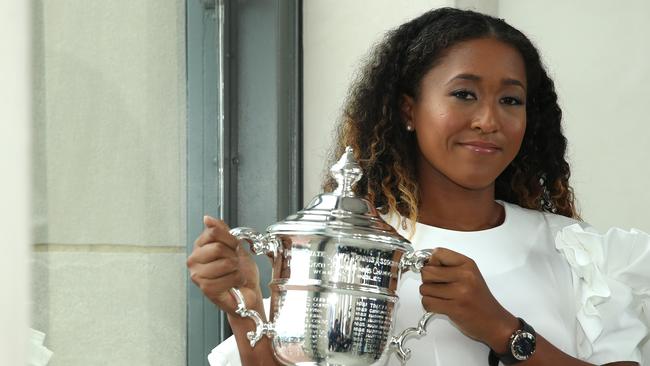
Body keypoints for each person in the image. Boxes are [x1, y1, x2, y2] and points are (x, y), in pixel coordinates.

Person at [187, 7, 649, 366]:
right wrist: (244, 305)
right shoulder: (344, 250)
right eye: (463, 94)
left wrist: (503, 330)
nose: (489, 121)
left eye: (511, 100)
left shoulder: (581, 256)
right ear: (408, 110)